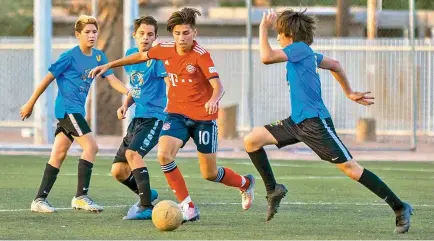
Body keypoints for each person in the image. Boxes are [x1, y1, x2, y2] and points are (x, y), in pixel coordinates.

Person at [242, 8, 413, 233]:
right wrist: (350, 92)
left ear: (290, 36)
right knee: (252, 141)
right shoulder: (307, 54)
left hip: (315, 124)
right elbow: (335, 64)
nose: (277, 38)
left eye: (279, 34)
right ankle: (273, 189)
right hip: (296, 123)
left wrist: (262, 27)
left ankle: (400, 207)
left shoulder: (300, 49)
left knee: (351, 169)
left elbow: (266, 57)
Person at [89, 8, 255, 223]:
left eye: (186, 33)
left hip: (203, 119)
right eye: (177, 33)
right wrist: (109, 64)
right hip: (176, 115)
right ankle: (188, 206)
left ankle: (245, 183)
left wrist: (213, 100)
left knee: (210, 173)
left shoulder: (201, 56)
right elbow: (139, 56)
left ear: (194, 32)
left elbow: (218, 86)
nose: (181, 38)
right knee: (164, 155)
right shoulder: (165, 50)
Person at [20, 15, 130, 213]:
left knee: (58, 154)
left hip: (76, 112)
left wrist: (129, 92)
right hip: (67, 110)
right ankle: (81, 196)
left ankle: (39, 200)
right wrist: (30, 103)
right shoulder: (69, 56)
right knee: (92, 147)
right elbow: (47, 79)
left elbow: (111, 79)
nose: (91, 35)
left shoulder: (99, 57)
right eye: (87, 32)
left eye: (94, 32)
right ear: (78, 35)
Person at [110, 16, 167, 220]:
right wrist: (125, 104)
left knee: (133, 154)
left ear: (155, 38)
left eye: (150, 34)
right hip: (137, 118)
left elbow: (171, 83)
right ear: (134, 35)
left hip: (155, 118)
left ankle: (146, 206)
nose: (145, 38)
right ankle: (148, 194)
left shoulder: (158, 60)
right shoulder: (131, 56)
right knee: (118, 171)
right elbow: (137, 88)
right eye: (141, 34)